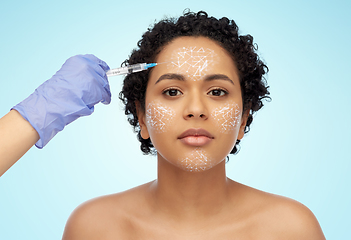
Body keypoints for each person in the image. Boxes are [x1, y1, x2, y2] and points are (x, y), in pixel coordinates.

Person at [0, 11, 325, 239]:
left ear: (243, 119)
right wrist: (38, 110)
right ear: (141, 116)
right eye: (172, 91)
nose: (196, 109)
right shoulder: (94, 228)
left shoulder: (292, 229)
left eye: (217, 91)